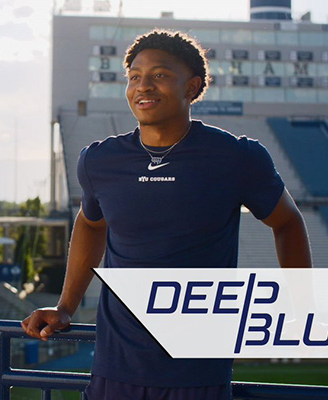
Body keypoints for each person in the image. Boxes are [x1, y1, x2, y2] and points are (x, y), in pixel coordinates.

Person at [22, 29, 312, 400]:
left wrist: (304, 304)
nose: (143, 86)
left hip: (197, 371)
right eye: (134, 77)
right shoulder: (99, 160)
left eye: (159, 75)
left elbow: (286, 222)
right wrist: (65, 306)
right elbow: (91, 224)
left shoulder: (237, 157)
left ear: (191, 88)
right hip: (115, 368)